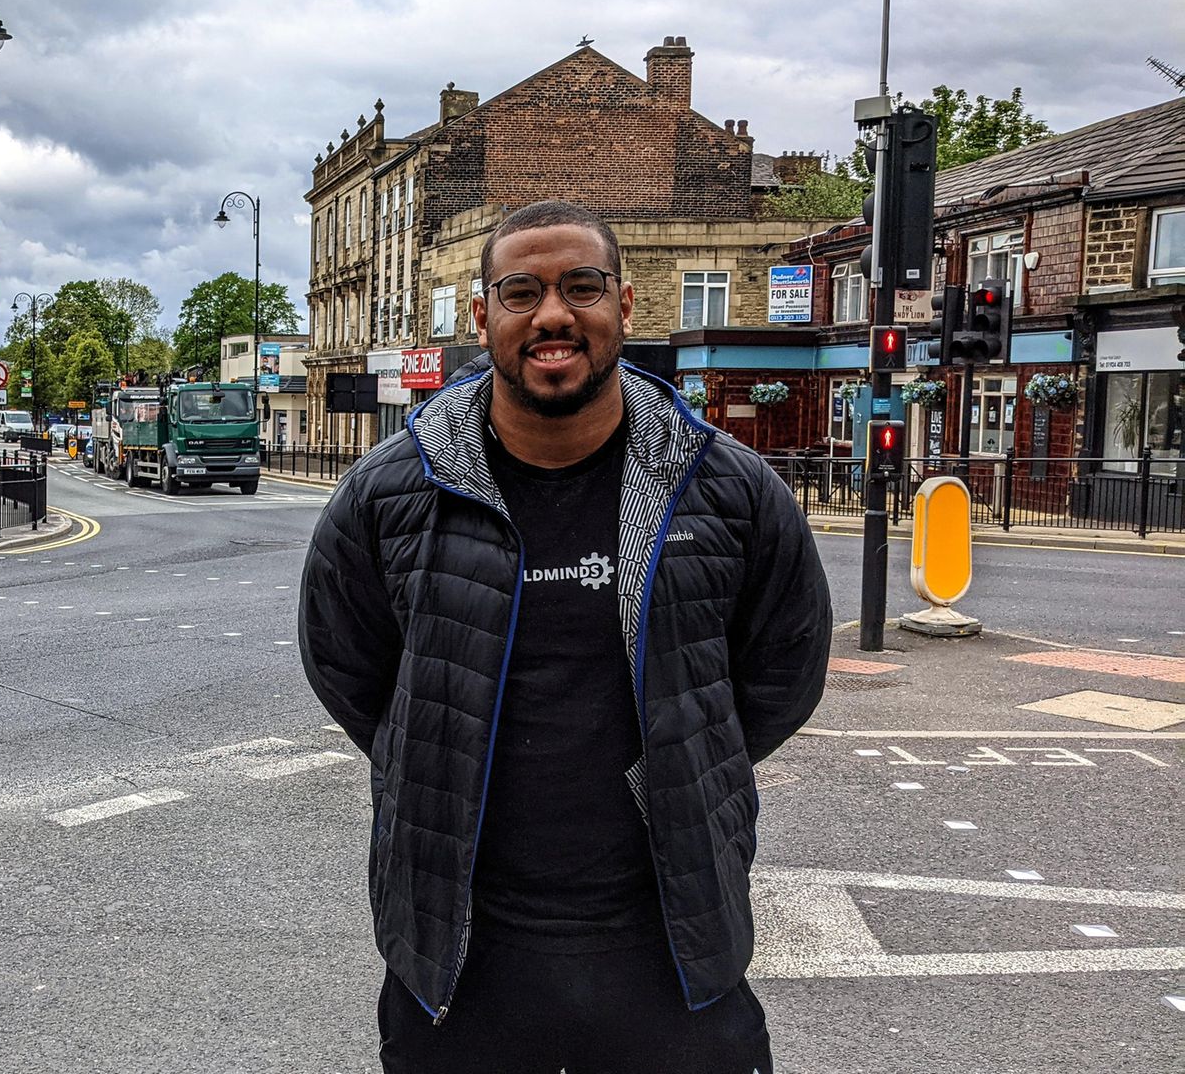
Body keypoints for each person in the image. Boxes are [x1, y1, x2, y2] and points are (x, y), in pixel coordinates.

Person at [298, 200, 831, 1074]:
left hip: (674, 953)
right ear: (484, 318)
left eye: (582, 287)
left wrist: (682, 758)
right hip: (460, 961)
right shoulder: (387, 495)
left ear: (624, 306)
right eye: (523, 291)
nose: (554, 314)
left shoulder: (727, 488)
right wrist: (439, 756)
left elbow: (783, 673)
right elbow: (350, 673)